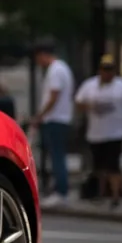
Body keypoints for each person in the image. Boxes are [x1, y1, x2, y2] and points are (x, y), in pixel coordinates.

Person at [74, 54, 122, 209]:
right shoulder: (90, 85)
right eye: (105, 69)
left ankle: (116, 195)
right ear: (100, 70)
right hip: (96, 133)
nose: (107, 73)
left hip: (115, 133)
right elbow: (79, 102)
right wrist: (88, 107)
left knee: (113, 167)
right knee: (99, 167)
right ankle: (101, 192)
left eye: (110, 69)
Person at [30, 42, 75, 208]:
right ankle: (59, 190)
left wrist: (40, 115)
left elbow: (53, 96)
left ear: (43, 54)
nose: (38, 62)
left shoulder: (56, 70)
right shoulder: (61, 68)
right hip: (58, 118)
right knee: (56, 154)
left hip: (56, 118)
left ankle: (60, 192)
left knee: (57, 155)